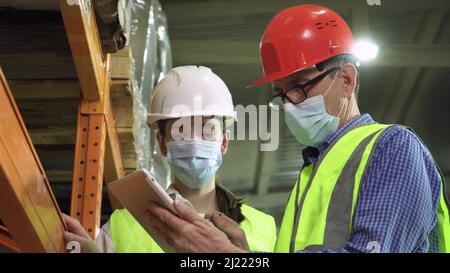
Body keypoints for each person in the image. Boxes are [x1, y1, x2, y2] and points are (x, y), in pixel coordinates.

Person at [145, 4, 450, 253]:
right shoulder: (311, 173)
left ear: (346, 80)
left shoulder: (392, 147)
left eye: (299, 87)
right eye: (281, 93)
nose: (289, 103)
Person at [63, 65, 277, 253]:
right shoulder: (123, 225)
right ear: (162, 143)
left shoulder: (264, 228)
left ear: (224, 142)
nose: (194, 141)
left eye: (207, 129)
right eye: (180, 130)